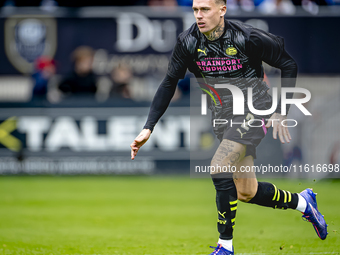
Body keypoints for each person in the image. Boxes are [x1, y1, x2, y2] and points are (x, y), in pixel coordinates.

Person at [130, 0, 328, 254]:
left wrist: (281, 111)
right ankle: (304, 203)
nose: (199, 16)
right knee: (247, 192)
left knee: (219, 166)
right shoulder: (188, 42)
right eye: (195, 10)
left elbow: (288, 64)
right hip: (223, 117)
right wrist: (149, 126)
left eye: (205, 9)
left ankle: (225, 246)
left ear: (222, 10)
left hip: (256, 109)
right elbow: (169, 82)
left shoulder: (247, 37)